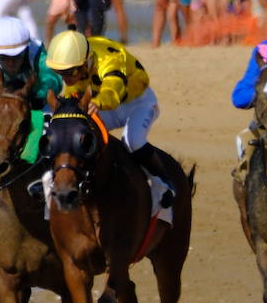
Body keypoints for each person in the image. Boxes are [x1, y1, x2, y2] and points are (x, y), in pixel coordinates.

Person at [45, 27, 174, 201]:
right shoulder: (77, 63)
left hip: (137, 103)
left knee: (133, 141)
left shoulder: (109, 59)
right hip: (102, 105)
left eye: (69, 72)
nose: (65, 78)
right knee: (77, 131)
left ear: (84, 62)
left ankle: (163, 182)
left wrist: (98, 102)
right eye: (60, 72)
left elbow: (112, 91)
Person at [0, 18, 62, 215]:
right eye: (4, 58)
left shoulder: (37, 52)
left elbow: (54, 82)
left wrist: (32, 101)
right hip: (4, 107)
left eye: (16, 57)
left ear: (26, 50)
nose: (10, 63)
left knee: (50, 135)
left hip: (37, 104)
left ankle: (54, 181)